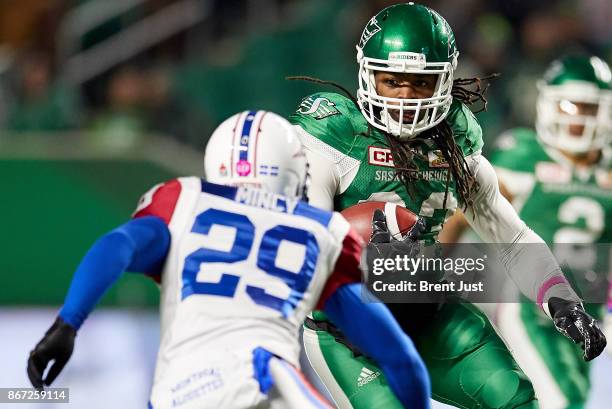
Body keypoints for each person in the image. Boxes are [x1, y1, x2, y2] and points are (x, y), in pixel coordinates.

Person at [288, 3, 606, 408]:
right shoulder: (331, 139)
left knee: (515, 396)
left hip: (427, 307)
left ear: (446, 79)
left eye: (420, 83)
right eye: (392, 81)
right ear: (367, 74)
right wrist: (365, 260)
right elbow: (307, 246)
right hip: (347, 330)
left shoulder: (456, 146)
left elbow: (513, 240)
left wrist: (563, 302)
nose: (405, 97)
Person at [27, 110, 431, 409]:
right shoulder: (320, 231)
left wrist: (68, 323)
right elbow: (401, 359)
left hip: (176, 394)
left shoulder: (183, 200)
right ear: (294, 172)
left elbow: (116, 247)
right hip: (262, 383)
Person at [439, 55, 612, 409]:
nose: (577, 117)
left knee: (567, 397)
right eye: (568, 105)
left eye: (588, 107)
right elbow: (459, 216)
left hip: (587, 311)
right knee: (561, 400)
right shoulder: (522, 155)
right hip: (530, 306)